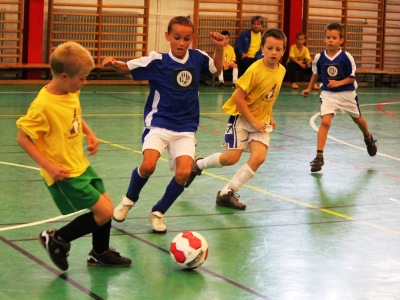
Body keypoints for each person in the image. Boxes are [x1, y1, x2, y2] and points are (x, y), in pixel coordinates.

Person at [16, 41, 132, 271]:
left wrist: (89, 133)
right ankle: (58, 239)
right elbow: (22, 138)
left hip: (79, 164)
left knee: (106, 205)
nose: (84, 82)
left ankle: (99, 253)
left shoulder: (70, 90)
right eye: (82, 78)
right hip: (64, 172)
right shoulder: (43, 105)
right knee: (105, 211)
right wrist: (48, 166)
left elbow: (74, 115)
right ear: (65, 76)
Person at [103, 16, 224, 233]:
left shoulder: (198, 58)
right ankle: (129, 200)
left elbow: (217, 70)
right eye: (176, 37)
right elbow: (126, 68)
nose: (181, 43)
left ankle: (158, 212)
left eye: (186, 38)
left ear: (191, 39)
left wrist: (220, 48)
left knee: (183, 173)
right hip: (159, 123)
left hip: (186, 127)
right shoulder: (157, 61)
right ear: (168, 36)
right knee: (148, 165)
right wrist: (112, 63)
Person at [184, 28, 287, 209]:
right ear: (262, 48)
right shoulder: (255, 70)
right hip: (242, 119)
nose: (274, 52)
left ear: (283, 51)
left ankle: (227, 193)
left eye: (278, 49)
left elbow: (268, 95)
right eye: (270, 48)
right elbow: (239, 97)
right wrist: (253, 121)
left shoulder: (281, 70)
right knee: (230, 158)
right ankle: (198, 164)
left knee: (259, 157)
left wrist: (269, 115)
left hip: (261, 122)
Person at [302, 22, 377, 172]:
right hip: (329, 94)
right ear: (324, 39)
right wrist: (309, 88)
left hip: (347, 93)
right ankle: (319, 156)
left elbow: (352, 78)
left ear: (341, 40)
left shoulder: (346, 57)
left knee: (358, 119)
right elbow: (315, 74)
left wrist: (338, 83)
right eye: (328, 37)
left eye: (334, 38)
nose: (330, 40)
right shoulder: (319, 57)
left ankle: (368, 137)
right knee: (325, 121)